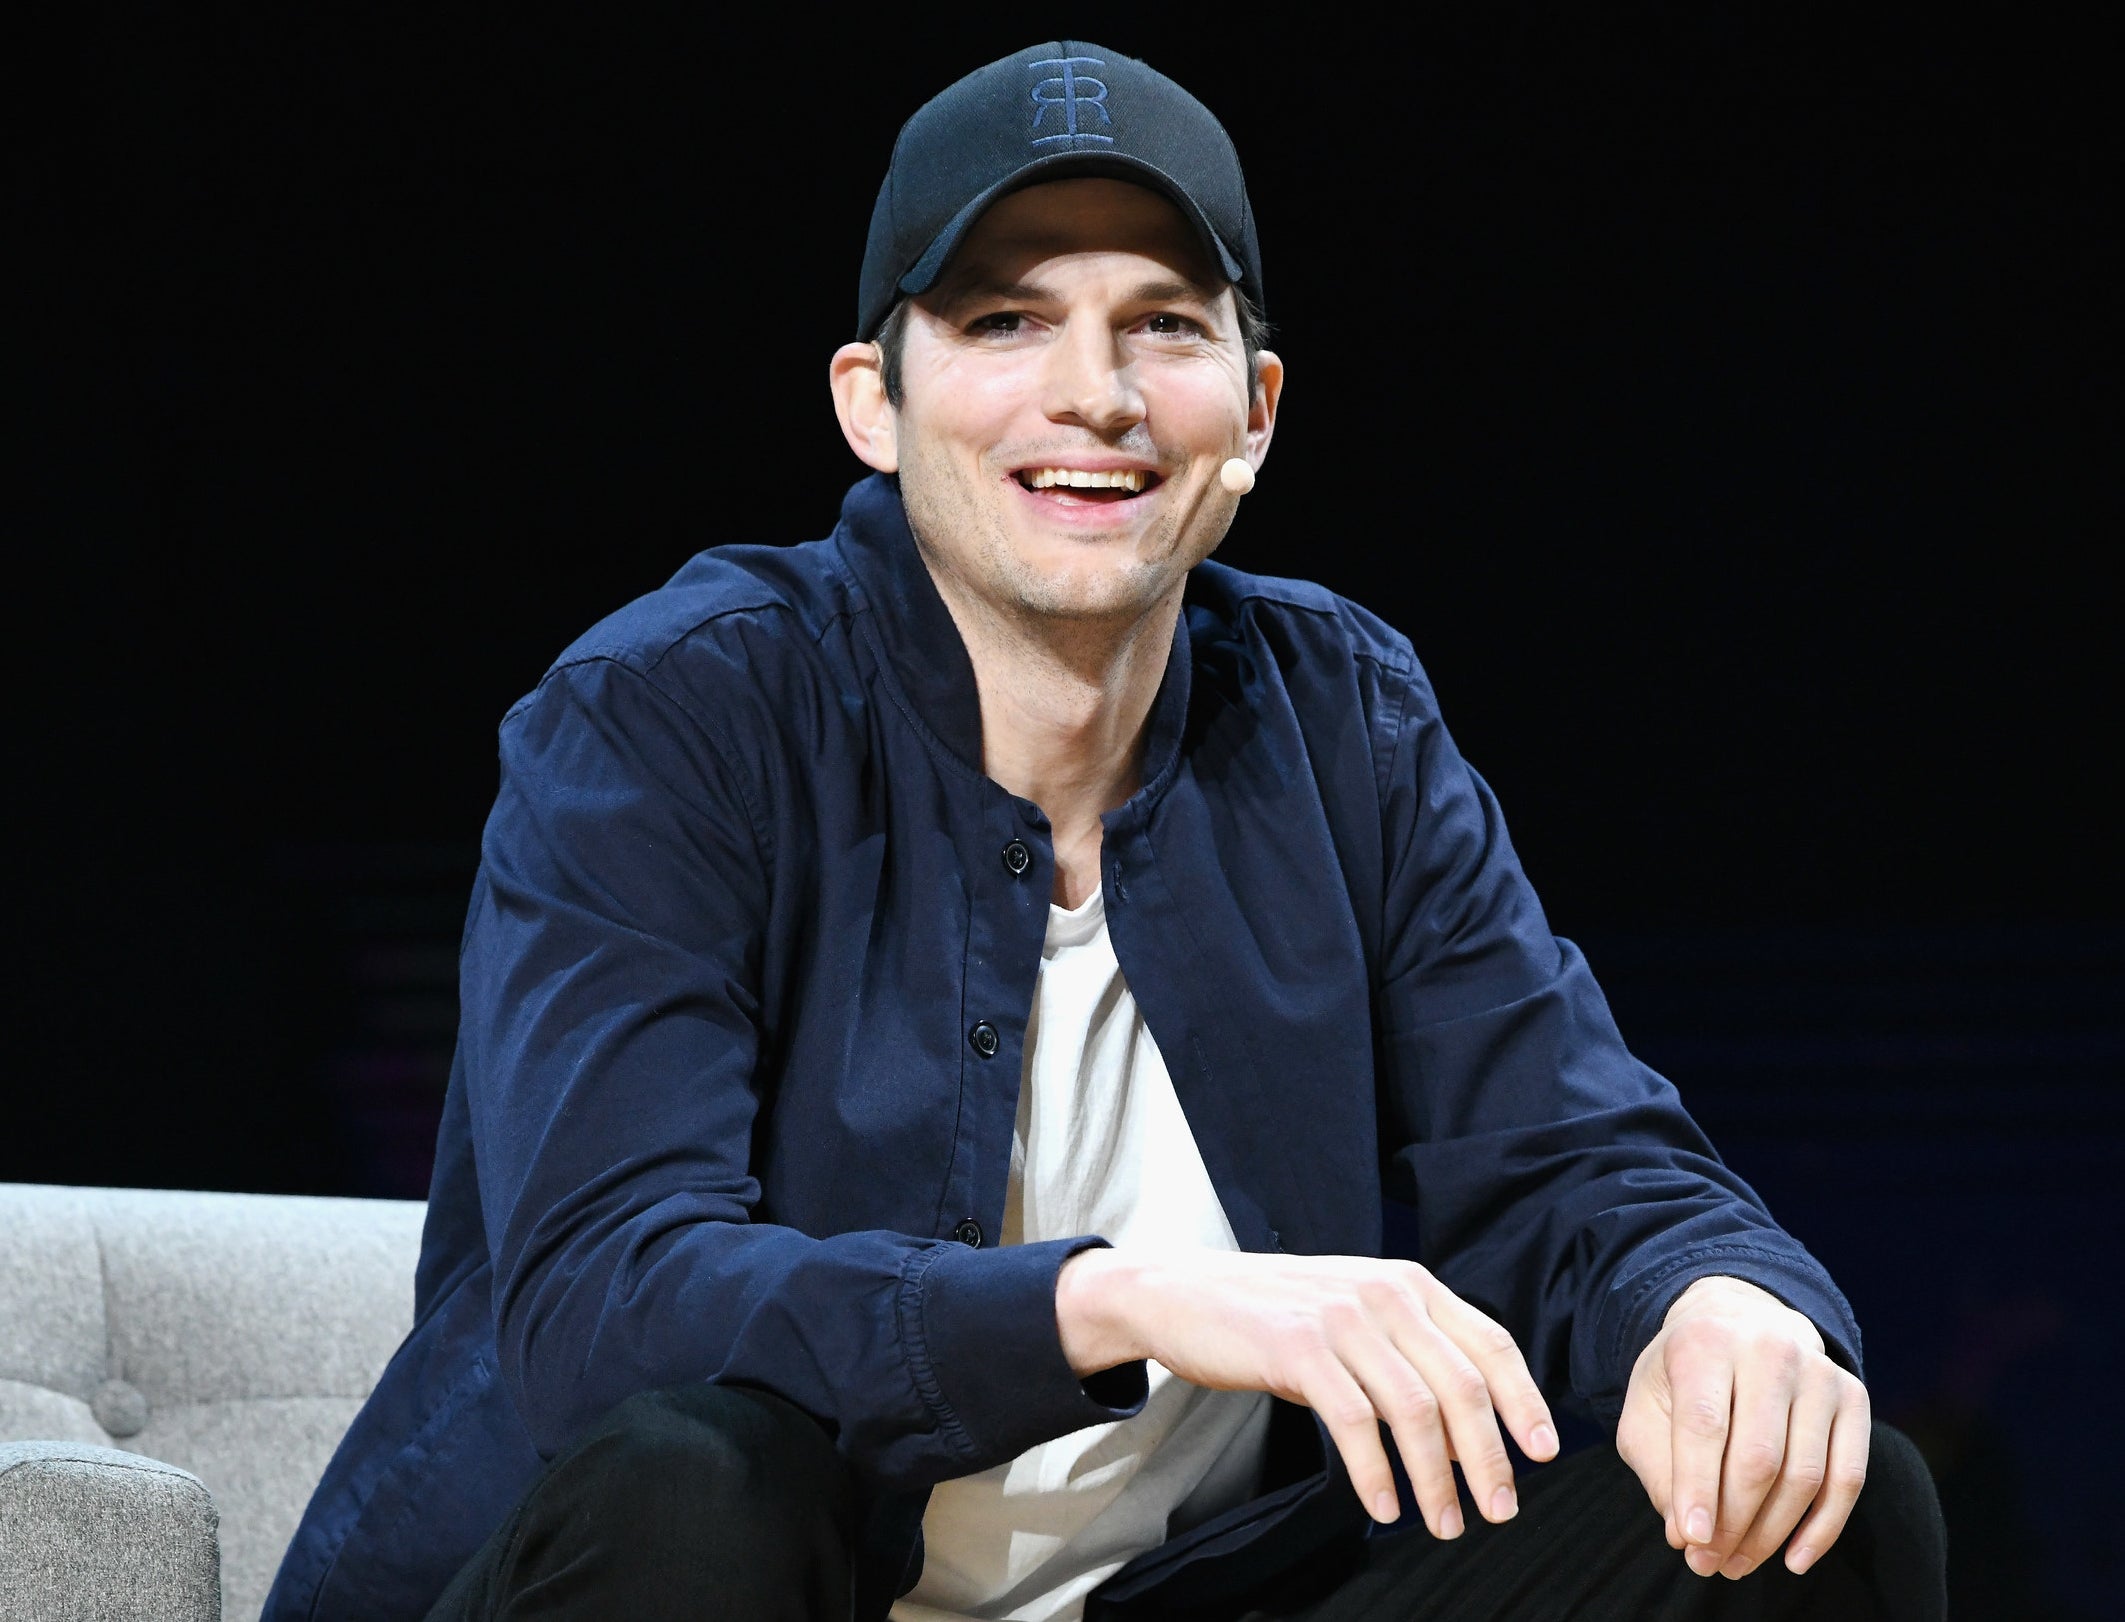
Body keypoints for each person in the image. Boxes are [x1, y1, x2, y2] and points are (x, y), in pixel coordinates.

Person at [265, 41, 1946, 1622]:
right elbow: (609, 1304)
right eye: (1004, 321)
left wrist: (1717, 1297)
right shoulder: (666, 715)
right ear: (873, 400)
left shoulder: (1340, 713)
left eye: (1162, 325)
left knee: (1820, 1492)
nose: (1095, 395)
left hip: (1182, 1588)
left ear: (1256, 407)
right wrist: (1123, 1299)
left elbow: (1575, 1160)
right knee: (699, 1478)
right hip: (734, 1575)